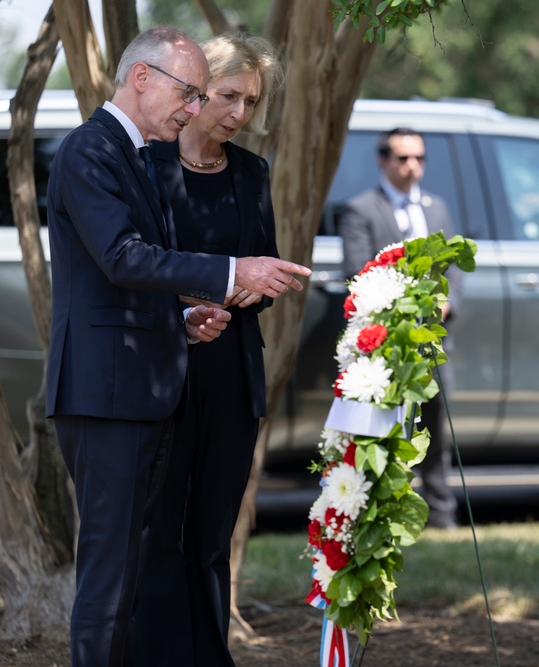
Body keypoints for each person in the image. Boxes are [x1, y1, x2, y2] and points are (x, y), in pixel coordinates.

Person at [45, 27, 310, 667]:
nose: (195, 110)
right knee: (113, 576)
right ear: (142, 78)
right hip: (109, 393)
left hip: (150, 382)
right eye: (189, 94)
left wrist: (185, 320)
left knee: (134, 564)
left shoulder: (131, 154)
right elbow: (123, 258)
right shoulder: (92, 151)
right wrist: (230, 273)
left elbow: (142, 279)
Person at [133, 33, 285, 666]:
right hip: (161, 368)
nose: (240, 115)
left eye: (251, 101)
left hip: (232, 372)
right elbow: (132, 267)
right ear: (196, 92)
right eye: (229, 96)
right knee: (158, 528)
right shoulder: (146, 163)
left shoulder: (251, 171)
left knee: (211, 531)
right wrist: (193, 300)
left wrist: (254, 291)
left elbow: (264, 269)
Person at [339, 127, 461, 529]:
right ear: (383, 161)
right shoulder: (361, 209)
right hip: (385, 342)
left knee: (436, 426)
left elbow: (452, 268)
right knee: (386, 426)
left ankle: (442, 514)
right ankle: (386, 511)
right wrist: (401, 313)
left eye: (419, 158)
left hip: (432, 341)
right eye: (403, 158)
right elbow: (358, 271)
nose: (413, 167)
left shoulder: (437, 207)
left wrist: (446, 303)